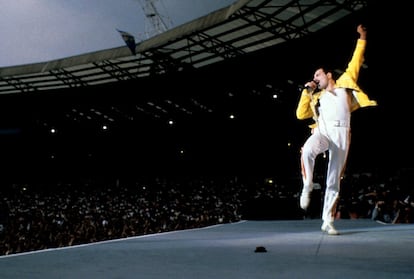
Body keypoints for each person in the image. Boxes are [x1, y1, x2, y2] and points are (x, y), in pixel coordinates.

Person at [295, 24, 377, 235]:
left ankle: (328, 221)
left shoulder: (345, 83)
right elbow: (300, 115)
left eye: (317, 75)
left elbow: (356, 60)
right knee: (307, 151)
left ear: (328, 75)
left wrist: (363, 38)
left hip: (342, 133)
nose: (315, 79)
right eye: (314, 77)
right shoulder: (316, 96)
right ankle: (307, 186)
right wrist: (306, 92)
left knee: (334, 179)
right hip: (323, 131)